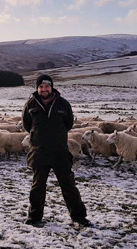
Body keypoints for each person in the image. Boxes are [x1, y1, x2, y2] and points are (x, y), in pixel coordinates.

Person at [22, 74, 91, 227]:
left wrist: (56, 136)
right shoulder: (31, 104)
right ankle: (34, 216)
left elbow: (68, 124)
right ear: (37, 88)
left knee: (68, 185)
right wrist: (37, 136)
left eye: (46, 86)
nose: (44, 89)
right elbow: (27, 125)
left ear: (51, 87)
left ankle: (79, 216)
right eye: (41, 87)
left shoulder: (63, 104)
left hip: (59, 151)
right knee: (37, 186)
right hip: (39, 152)